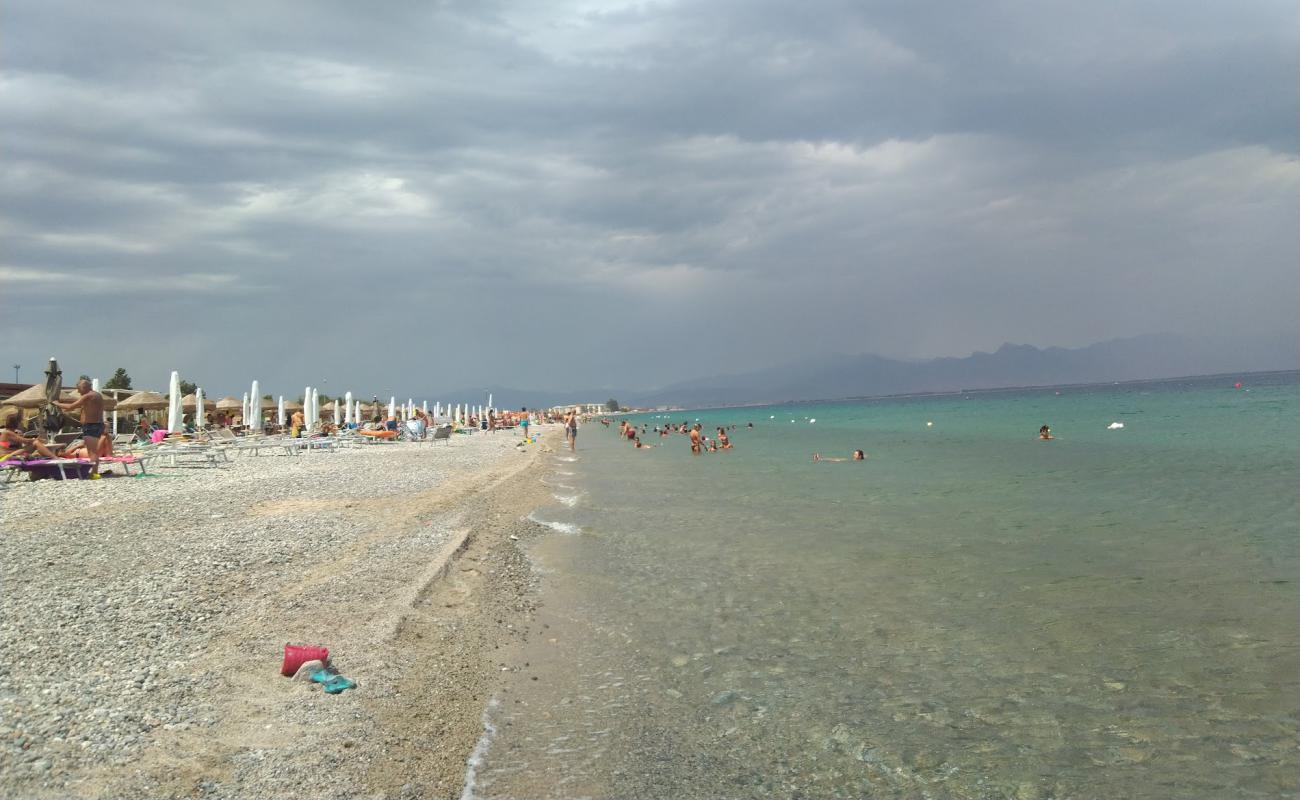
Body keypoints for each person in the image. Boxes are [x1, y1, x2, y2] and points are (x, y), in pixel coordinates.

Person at [54, 379, 106, 478]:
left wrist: (56, 403)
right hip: (97, 425)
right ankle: (94, 472)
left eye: (79, 389)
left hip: (91, 425)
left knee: (92, 452)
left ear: (84, 387)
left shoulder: (88, 396)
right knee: (93, 451)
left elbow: (70, 407)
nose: (78, 391)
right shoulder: (97, 395)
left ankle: (94, 473)